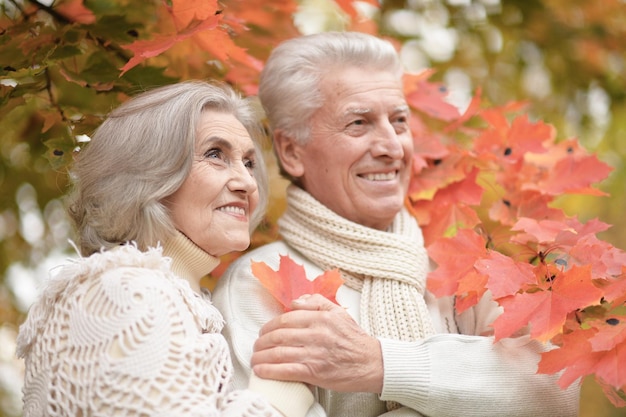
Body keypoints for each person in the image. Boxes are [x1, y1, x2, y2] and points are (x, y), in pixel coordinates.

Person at [212, 32, 581, 416]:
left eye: (399, 121)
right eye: (358, 123)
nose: (392, 146)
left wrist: (380, 364)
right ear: (291, 152)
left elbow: (554, 390)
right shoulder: (258, 283)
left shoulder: (461, 270)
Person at [15, 81, 314, 417]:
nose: (247, 182)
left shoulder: (169, 295)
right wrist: (277, 396)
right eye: (216, 154)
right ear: (147, 172)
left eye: (247, 163)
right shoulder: (128, 291)